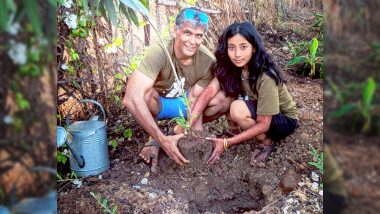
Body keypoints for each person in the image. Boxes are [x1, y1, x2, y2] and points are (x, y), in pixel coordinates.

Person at [123, 7, 232, 174]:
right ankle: (154, 137)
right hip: (158, 105)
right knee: (144, 95)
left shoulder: (207, 61)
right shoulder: (159, 51)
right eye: (187, 33)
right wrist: (160, 140)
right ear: (175, 31)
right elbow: (130, 98)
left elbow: (196, 99)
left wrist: (196, 136)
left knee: (223, 100)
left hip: (185, 104)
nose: (193, 41)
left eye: (198, 36)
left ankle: (178, 130)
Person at [188, 22, 299, 165]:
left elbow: (264, 124)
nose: (237, 54)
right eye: (232, 48)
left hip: (283, 119)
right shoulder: (233, 66)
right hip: (261, 110)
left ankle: (267, 142)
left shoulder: (265, 76)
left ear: (253, 47)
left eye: (243, 47)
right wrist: (190, 123)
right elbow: (209, 91)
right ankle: (234, 129)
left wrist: (227, 143)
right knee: (225, 95)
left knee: (237, 108)